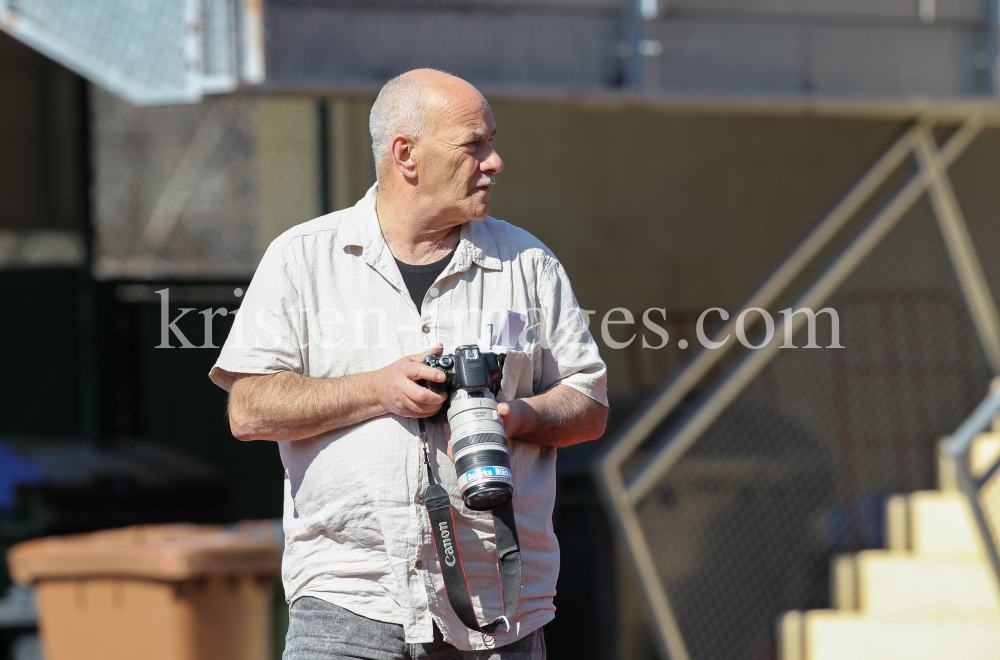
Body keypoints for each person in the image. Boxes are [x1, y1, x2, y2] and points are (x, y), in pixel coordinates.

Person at [209, 69, 608, 660]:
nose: (494, 162)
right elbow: (248, 410)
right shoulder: (303, 259)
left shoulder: (528, 265)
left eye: (491, 142)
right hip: (348, 602)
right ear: (407, 155)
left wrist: (513, 415)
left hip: (497, 612)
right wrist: (378, 390)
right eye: (474, 144)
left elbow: (590, 407)